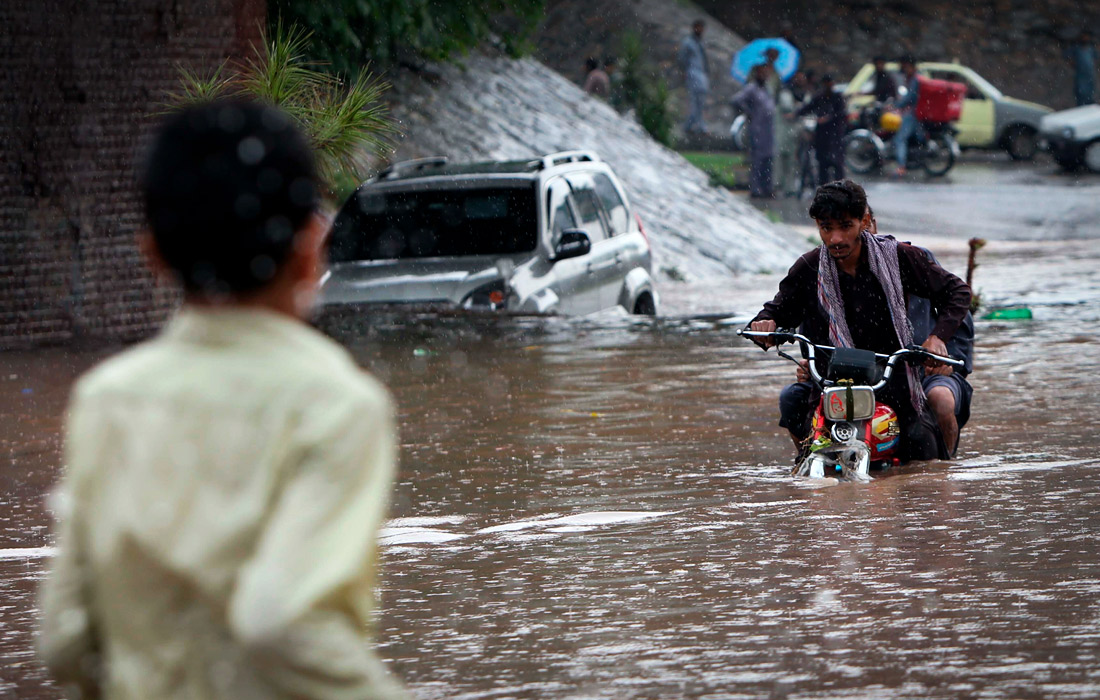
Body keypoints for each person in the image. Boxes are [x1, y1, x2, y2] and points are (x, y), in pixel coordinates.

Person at [38, 99, 407, 699]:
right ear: (312, 246)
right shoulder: (337, 405)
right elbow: (282, 624)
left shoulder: (106, 399)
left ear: (152, 254)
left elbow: (64, 639)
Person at [749, 180, 971, 462]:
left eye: (845, 226)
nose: (836, 239)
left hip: (896, 383)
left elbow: (957, 291)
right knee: (812, 453)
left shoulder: (899, 257)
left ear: (864, 221)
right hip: (832, 386)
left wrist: (938, 337)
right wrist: (765, 324)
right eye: (826, 228)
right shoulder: (808, 268)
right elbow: (778, 311)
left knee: (923, 457)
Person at [730, 64, 776, 198]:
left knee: (768, 159)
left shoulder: (766, 90)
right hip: (757, 129)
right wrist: (749, 112)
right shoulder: (751, 88)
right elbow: (736, 100)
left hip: (768, 130)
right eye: (762, 73)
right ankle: (756, 189)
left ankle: (767, 188)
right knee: (758, 160)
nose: (764, 76)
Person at [797, 73, 847, 185]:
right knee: (822, 163)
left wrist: (828, 118)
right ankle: (824, 185)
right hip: (822, 136)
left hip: (835, 135)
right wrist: (796, 113)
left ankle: (840, 186)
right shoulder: (819, 97)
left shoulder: (837, 97)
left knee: (837, 163)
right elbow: (808, 107)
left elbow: (840, 114)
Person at [679, 19, 711, 134]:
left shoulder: (701, 43)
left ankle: (698, 124)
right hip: (692, 73)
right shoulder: (688, 42)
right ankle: (690, 125)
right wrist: (684, 71)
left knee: (701, 101)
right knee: (693, 101)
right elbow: (682, 58)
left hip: (701, 75)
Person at [895, 55, 921, 176]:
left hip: (913, 114)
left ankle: (901, 166)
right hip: (919, 113)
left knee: (900, 139)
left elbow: (910, 97)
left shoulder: (915, 80)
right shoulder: (920, 78)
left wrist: (897, 105)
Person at [1064, 29, 1097, 106]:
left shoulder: (1091, 49)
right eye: (1083, 37)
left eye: (1087, 37)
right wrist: (1072, 63)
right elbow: (1067, 56)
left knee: (1090, 92)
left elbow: (1096, 57)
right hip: (1080, 74)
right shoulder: (1076, 48)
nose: (1085, 38)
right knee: (1080, 93)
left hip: (1089, 74)